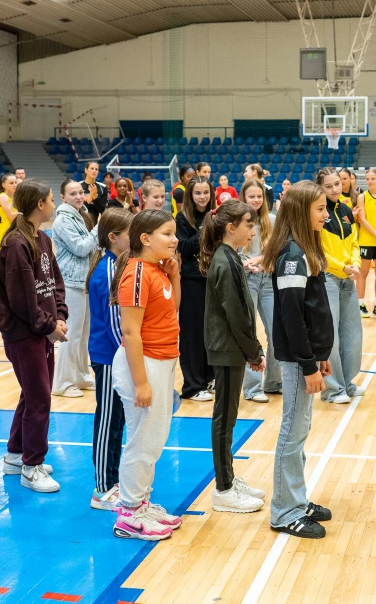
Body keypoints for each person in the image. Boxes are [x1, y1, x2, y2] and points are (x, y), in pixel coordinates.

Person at [262, 181, 334, 539]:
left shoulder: (306, 249)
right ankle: (283, 511)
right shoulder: (292, 256)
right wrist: (307, 363)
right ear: (301, 212)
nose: (326, 214)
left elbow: (311, 310)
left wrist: (319, 357)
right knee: (292, 431)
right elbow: (291, 316)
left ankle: (296, 498)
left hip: (305, 358)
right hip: (295, 360)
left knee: (300, 430)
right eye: (320, 209)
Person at [110, 210, 184, 541]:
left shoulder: (157, 270)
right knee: (142, 441)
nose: (174, 239)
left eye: (174, 233)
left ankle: (141, 502)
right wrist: (141, 382)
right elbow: (130, 331)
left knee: (153, 439)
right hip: (144, 364)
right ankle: (128, 513)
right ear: (145, 238)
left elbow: (172, 308)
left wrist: (176, 276)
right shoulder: (136, 273)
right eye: (167, 234)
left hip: (163, 361)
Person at [0, 179, 67, 494]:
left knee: (33, 392)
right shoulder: (17, 244)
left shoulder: (43, 239)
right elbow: (22, 298)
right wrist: (48, 326)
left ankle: (15, 454)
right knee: (39, 396)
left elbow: (55, 284)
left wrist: (59, 316)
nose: (54, 205)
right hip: (24, 333)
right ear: (40, 204)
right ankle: (31, 466)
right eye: (52, 199)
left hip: (42, 330)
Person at [199, 199, 267, 513]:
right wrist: (253, 350)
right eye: (248, 225)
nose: (252, 231)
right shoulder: (225, 262)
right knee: (224, 419)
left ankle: (228, 477)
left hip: (231, 348)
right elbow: (237, 315)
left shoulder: (231, 257)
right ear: (231, 228)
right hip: (226, 349)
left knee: (229, 417)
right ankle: (224, 489)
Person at [86, 207, 134, 511]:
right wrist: (132, 356)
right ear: (114, 237)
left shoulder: (118, 264)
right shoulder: (108, 270)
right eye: (130, 233)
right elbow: (117, 324)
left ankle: (113, 480)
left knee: (117, 419)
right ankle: (102, 487)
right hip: (108, 356)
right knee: (107, 420)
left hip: (118, 357)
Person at [317, 167, 362, 405]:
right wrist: (340, 267)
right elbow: (319, 251)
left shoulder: (345, 210)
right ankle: (332, 389)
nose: (335, 189)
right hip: (328, 279)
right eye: (329, 186)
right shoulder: (316, 213)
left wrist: (354, 263)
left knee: (352, 334)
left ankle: (347, 383)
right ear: (320, 188)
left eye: (337, 184)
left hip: (348, 278)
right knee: (330, 337)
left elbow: (354, 242)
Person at [51, 179, 99, 398]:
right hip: (70, 282)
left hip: (83, 280)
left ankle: (80, 375)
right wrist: (99, 229)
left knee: (83, 334)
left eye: (81, 192)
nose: (79, 197)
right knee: (71, 334)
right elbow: (81, 248)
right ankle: (62, 382)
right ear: (63, 198)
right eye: (73, 194)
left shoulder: (79, 215)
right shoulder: (63, 220)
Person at [239, 179, 282, 403]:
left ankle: (273, 382)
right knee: (249, 333)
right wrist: (245, 263)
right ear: (244, 198)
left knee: (276, 332)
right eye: (251, 196)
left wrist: (260, 259)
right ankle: (252, 387)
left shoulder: (272, 221)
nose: (256, 200)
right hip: (246, 279)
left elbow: (277, 251)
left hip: (268, 280)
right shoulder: (237, 222)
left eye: (259, 196)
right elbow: (230, 253)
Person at [175, 175, 215, 401]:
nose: (202, 196)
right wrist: (205, 229)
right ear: (190, 195)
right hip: (191, 281)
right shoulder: (181, 218)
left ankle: (209, 378)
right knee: (191, 334)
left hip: (212, 279)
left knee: (210, 332)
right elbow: (185, 247)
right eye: (198, 193)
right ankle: (191, 386)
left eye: (206, 192)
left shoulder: (216, 216)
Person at [355, 168, 376, 318]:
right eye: (367, 179)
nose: (369, 181)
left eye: (372, 179)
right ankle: (360, 305)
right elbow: (362, 219)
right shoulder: (362, 197)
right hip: (366, 240)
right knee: (363, 273)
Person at [0, 172, 18, 251]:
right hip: (5, 234)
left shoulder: (14, 197)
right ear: (3, 185)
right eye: (11, 183)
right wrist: (24, 211)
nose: (14, 185)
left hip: (13, 233)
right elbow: (11, 216)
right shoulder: (3, 197)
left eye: (15, 182)